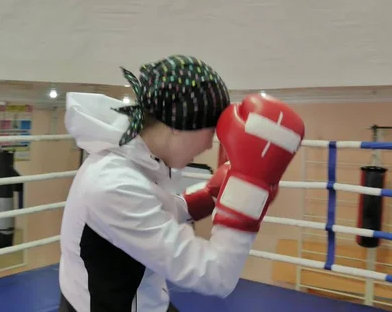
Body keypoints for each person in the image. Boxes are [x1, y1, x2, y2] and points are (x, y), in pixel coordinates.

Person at [58, 55, 305, 312]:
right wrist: (246, 197)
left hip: (145, 299)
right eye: (211, 133)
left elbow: (152, 209)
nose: (210, 145)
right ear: (179, 124)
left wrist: (208, 197)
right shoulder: (112, 184)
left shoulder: (140, 158)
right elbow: (215, 276)